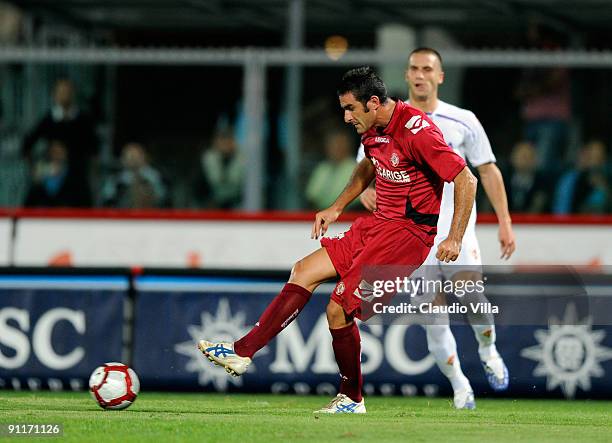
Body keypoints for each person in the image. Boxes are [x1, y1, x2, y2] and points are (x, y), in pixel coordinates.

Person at [198, 66, 477, 414]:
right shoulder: (372, 127)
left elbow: (466, 180)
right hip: (377, 224)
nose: (345, 118)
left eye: (350, 109)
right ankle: (242, 352)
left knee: (338, 309)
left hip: (407, 235)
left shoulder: (415, 130)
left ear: (373, 102)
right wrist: (336, 207)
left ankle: (352, 398)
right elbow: (368, 167)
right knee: (303, 270)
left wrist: (454, 237)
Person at [357, 48, 516, 408]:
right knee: (432, 313)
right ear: (406, 73)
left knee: (472, 296)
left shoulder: (463, 121)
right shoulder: (384, 118)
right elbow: (366, 166)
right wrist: (366, 190)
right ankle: (461, 386)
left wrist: (505, 221)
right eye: (413, 67)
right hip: (411, 236)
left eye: (427, 69)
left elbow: (487, 170)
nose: (420, 74)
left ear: (439, 77)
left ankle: (489, 351)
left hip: (457, 228)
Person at [22, 78, 98, 206]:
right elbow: (27, 144)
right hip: (51, 172)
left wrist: (90, 171)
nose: (64, 95)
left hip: (77, 172)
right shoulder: (48, 119)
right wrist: (34, 168)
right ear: (54, 95)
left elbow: (95, 149)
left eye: (67, 91)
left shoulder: (83, 120)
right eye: (60, 91)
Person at [305, 129, 360, 210]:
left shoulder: (357, 168)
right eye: (333, 144)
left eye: (340, 144)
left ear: (348, 146)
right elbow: (311, 197)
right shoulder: (322, 168)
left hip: (348, 216)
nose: (336, 147)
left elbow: (358, 200)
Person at [100, 142, 167, 209]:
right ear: (123, 160)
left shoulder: (157, 177)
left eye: (136, 156)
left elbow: (165, 199)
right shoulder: (116, 180)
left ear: (144, 157)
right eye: (130, 156)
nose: (133, 159)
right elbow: (107, 201)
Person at [24, 140, 89, 207]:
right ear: (49, 153)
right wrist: (35, 182)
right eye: (54, 151)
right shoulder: (40, 171)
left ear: (66, 153)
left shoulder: (75, 174)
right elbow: (31, 201)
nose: (57, 156)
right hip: (42, 212)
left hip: (68, 213)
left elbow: (82, 199)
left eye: (60, 152)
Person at [196, 127, 244, 209]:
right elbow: (199, 189)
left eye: (228, 139)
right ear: (215, 142)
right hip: (212, 207)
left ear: (234, 142)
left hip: (238, 206)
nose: (225, 143)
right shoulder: (207, 160)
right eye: (222, 139)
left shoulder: (244, 160)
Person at [503, 140, 550, 213]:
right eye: (522, 156)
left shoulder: (543, 184)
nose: (525, 160)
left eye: (530, 156)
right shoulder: (503, 180)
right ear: (512, 158)